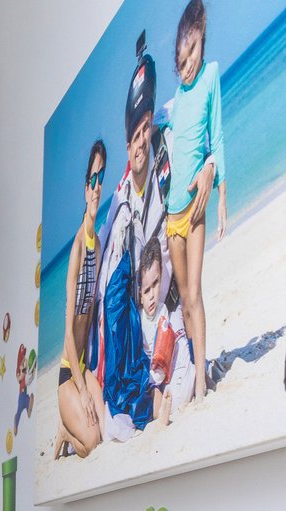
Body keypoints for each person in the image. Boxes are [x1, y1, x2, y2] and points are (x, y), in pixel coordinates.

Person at [91, 35, 171, 440]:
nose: (141, 141)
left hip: (162, 302)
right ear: (127, 143)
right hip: (137, 315)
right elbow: (102, 258)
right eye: (135, 134)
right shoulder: (121, 201)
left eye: (146, 129)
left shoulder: (162, 165)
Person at [164, 0, 227, 399]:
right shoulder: (176, 98)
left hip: (196, 208)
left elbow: (216, 139)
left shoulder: (211, 76)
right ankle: (194, 363)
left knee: (195, 293)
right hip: (172, 215)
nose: (187, 65)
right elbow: (171, 139)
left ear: (202, 38)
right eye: (181, 60)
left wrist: (219, 193)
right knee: (184, 300)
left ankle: (202, 380)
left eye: (192, 53)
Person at [56, 140, 111, 458]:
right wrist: (81, 389)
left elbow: (91, 320)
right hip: (68, 373)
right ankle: (66, 429)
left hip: (84, 366)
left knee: (104, 430)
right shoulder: (77, 247)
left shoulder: (98, 246)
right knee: (89, 444)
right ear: (84, 188)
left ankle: (72, 422)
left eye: (101, 178)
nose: (97, 187)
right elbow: (68, 332)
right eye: (92, 179)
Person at [137, 238, 196, 425]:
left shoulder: (162, 310)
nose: (152, 295)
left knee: (164, 393)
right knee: (152, 394)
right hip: (152, 376)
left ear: (161, 276)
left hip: (163, 372)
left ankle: (164, 412)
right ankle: (161, 412)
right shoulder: (138, 318)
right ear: (139, 294)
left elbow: (162, 354)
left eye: (156, 284)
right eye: (147, 290)